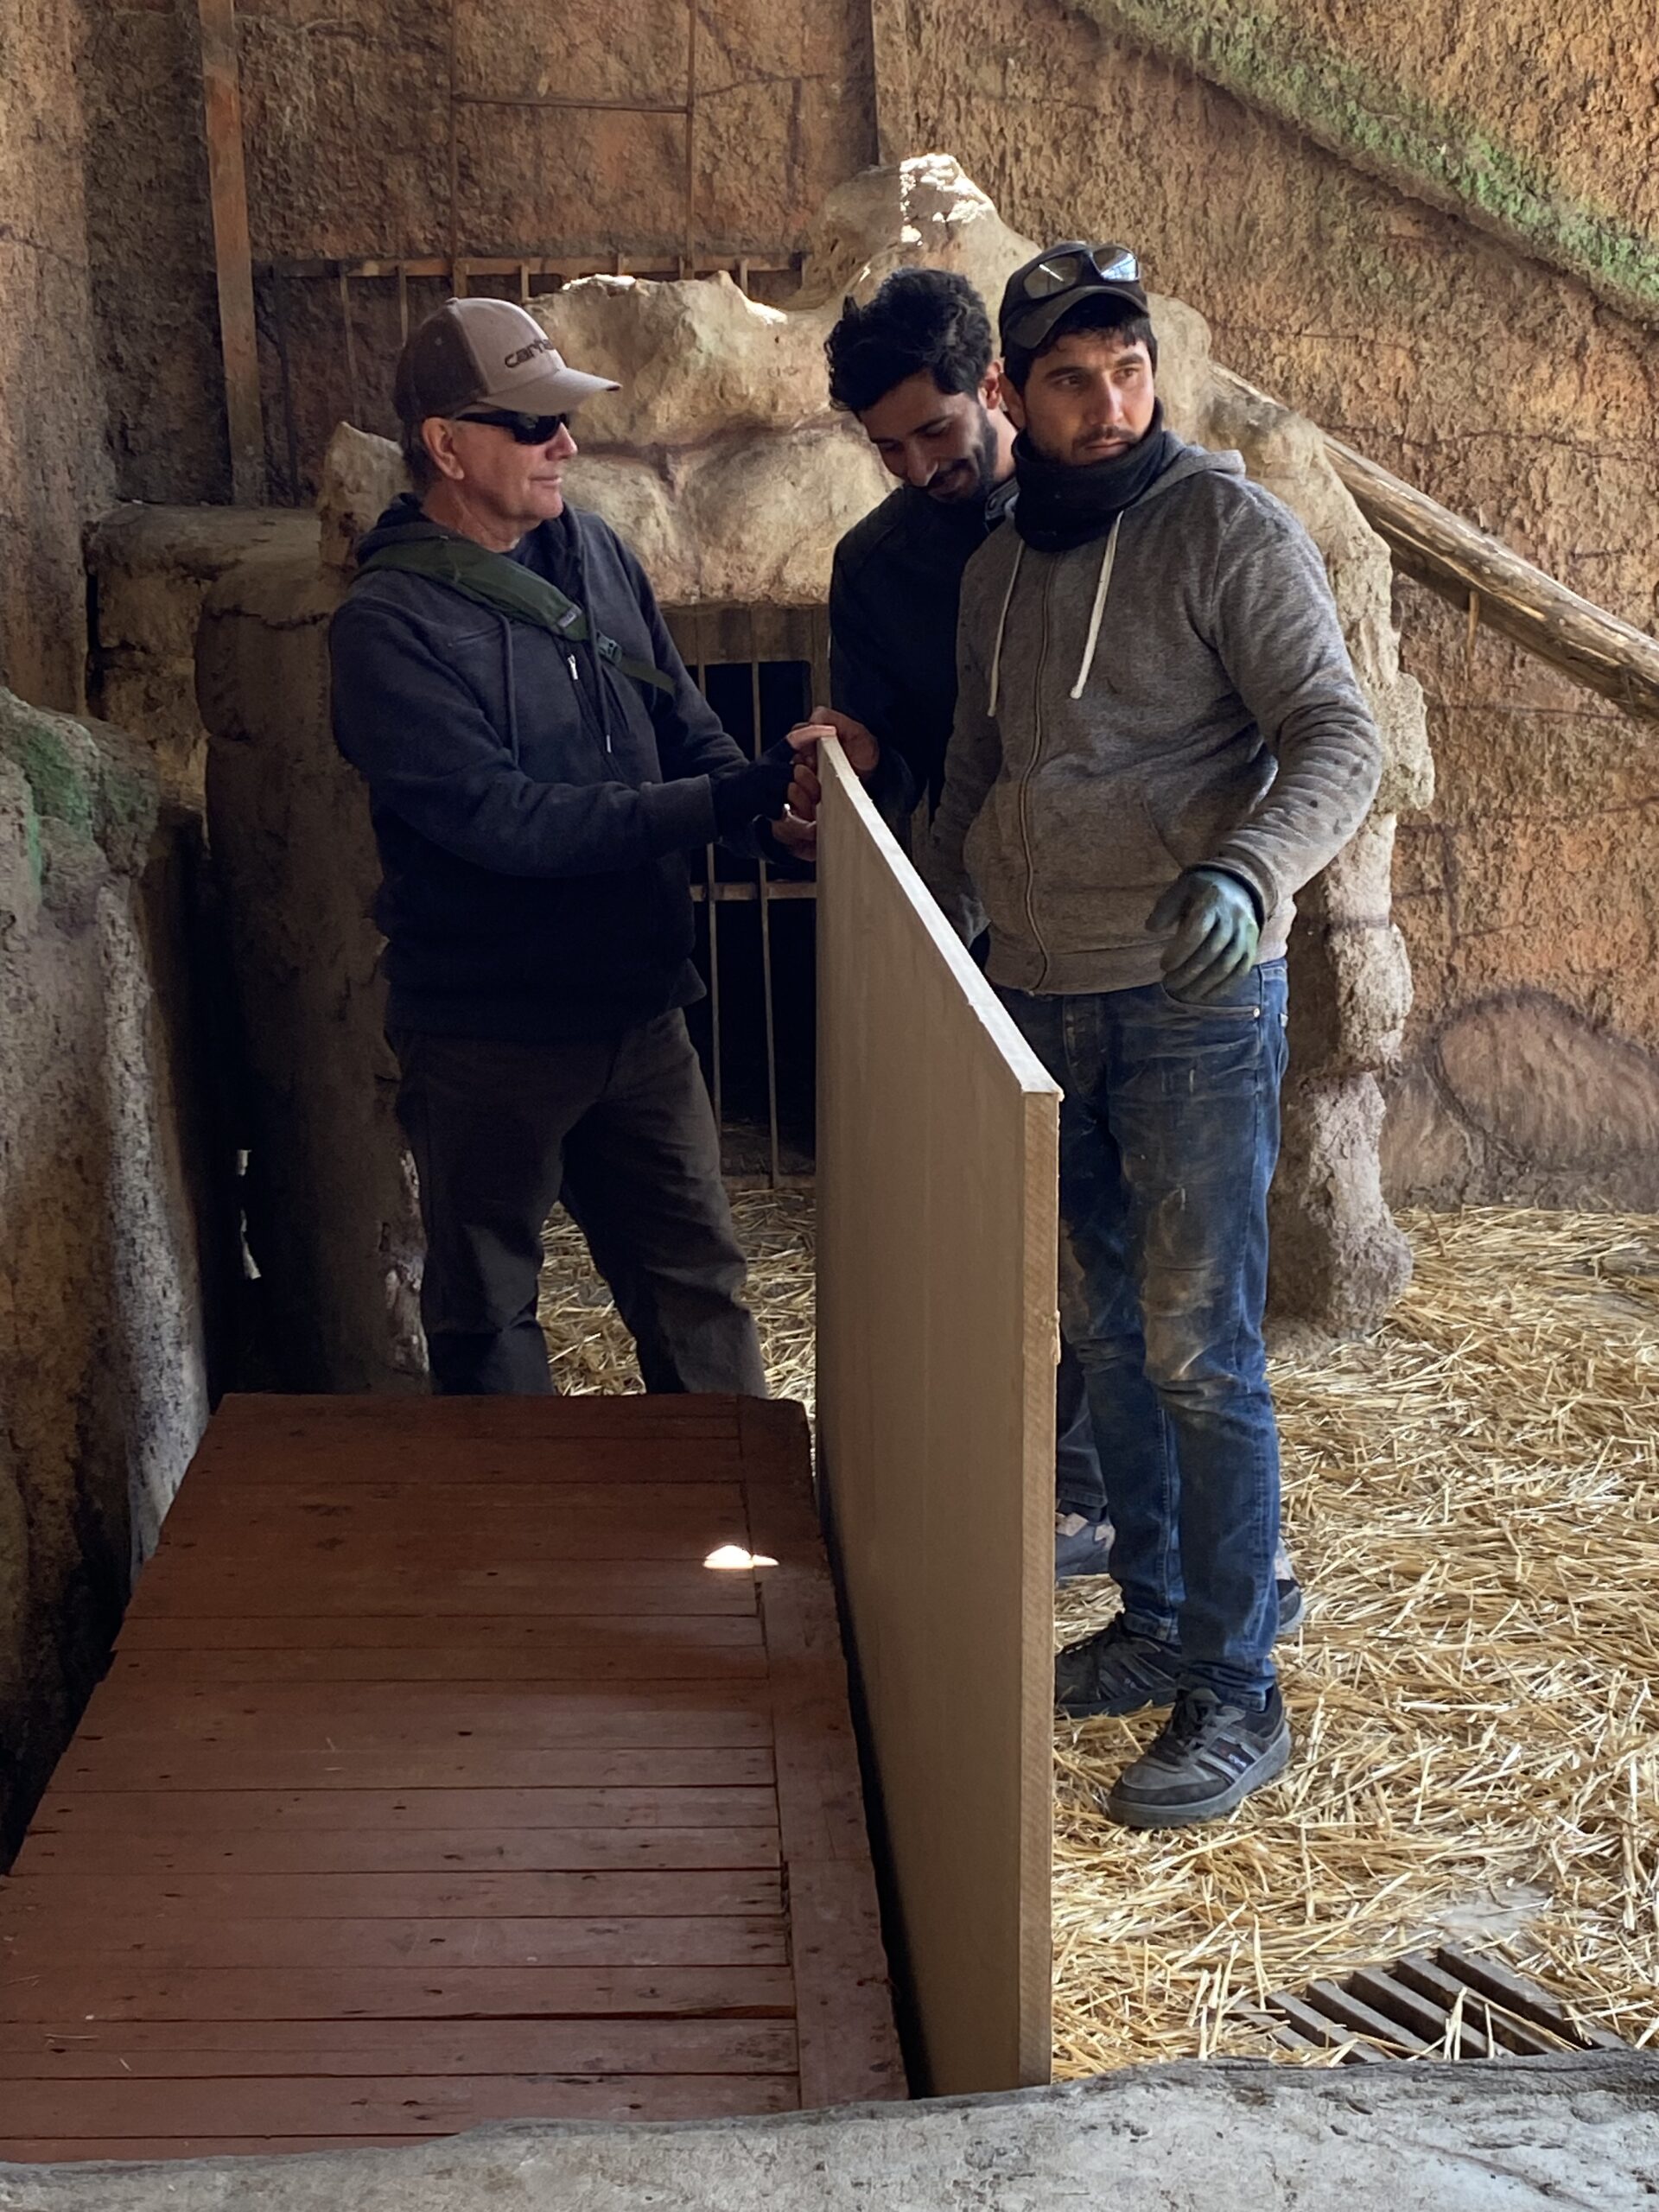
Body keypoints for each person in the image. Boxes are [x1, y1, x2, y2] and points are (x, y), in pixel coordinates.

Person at [926, 243, 1382, 1827]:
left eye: (1126, 370)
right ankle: (1159, 1616)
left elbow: (1340, 735)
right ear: (1014, 395)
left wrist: (1251, 872)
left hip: (1191, 1002)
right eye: (1070, 377)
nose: (1109, 401)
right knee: (1109, 1337)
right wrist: (925, 922)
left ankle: (1237, 1690)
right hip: (1043, 990)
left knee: (1203, 1352)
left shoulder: (1225, 529)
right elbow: (979, 771)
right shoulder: (1000, 568)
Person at [330, 295, 835, 1398]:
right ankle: (517, 1557)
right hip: (486, 1036)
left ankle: (737, 1556)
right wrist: (726, 797)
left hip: (641, 1014)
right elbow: (511, 825)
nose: (566, 443)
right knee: (492, 1311)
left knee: (701, 1282)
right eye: (531, 424)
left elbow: (682, 729)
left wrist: (772, 818)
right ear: (446, 446)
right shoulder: (387, 628)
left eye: (563, 417)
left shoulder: (597, 551)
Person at [824, 268, 1110, 1586]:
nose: (918, 464)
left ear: (992, 389)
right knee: (1012, 1211)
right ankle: (1032, 1467)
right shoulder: (876, 567)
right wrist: (857, 762)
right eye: (888, 448)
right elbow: (901, 768)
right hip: (980, 913)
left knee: (1119, 1225)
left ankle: (1100, 1487)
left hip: (1126, 922)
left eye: (934, 431)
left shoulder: (1107, 505)